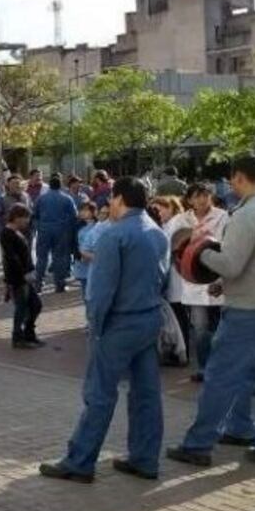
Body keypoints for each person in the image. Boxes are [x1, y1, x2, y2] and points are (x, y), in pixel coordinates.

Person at [40, 177, 169, 482]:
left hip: (119, 323)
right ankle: (145, 459)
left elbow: (101, 291)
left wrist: (95, 326)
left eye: (111, 199)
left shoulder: (114, 235)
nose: (108, 205)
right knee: (147, 393)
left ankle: (80, 461)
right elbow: (163, 279)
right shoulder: (156, 232)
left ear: (120, 199)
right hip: (149, 318)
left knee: (99, 393)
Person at [167, 155, 255, 467]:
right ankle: (241, 428)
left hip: (247, 310)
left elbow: (231, 264)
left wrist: (201, 252)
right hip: (252, 299)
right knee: (251, 375)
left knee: (220, 375)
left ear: (239, 178)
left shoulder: (247, 215)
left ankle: (198, 444)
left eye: (232, 178)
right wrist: (226, 282)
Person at [181, 183, 229, 382]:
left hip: (217, 278)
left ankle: (220, 368)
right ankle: (204, 367)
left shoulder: (223, 217)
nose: (202, 200)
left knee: (220, 327)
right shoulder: (182, 219)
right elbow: (173, 245)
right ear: (190, 200)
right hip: (193, 281)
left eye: (205, 195)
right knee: (200, 327)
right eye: (197, 196)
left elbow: (229, 246)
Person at [149, 194, 194, 366]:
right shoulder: (171, 224)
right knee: (180, 315)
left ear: (171, 207)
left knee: (179, 316)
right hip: (178, 277)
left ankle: (181, 354)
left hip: (177, 276)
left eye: (160, 208)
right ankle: (180, 352)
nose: (158, 212)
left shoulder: (177, 223)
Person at [0, 205, 45, 349]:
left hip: (25, 276)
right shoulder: (7, 233)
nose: (27, 222)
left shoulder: (17, 232)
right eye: (26, 218)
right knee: (22, 307)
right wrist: (23, 274)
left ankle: (28, 333)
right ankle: (18, 337)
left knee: (35, 305)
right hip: (18, 278)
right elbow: (12, 258)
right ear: (17, 217)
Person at [33, 175, 78, 293]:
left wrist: (39, 226)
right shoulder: (67, 198)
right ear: (61, 185)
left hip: (44, 230)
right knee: (59, 257)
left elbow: (35, 214)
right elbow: (74, 215)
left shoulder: (41, 198)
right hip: (61, 230)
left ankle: (38, 284)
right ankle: (59, 284)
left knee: (41, 257)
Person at [73, 203, 99, 302]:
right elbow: (74, 243)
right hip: (82, 262)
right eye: (81, 210)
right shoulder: (77, 226)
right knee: (85, 290)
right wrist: (78, 255)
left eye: (86, 210)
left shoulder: (99, 226)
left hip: (95, 261)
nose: (82, 213)